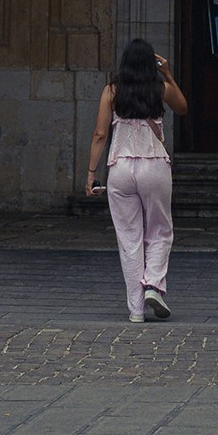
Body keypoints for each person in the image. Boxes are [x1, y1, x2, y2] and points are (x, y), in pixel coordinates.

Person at [85, 38, 187, 323]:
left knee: (128, 238)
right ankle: (154, 285)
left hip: (120, 168)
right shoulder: (160, 89)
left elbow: (100, 134)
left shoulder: (112, 91)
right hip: (154, 165)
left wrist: (91, 173)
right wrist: (167, 74)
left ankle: (136, 310)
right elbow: (182, 107)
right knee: (160, 230)